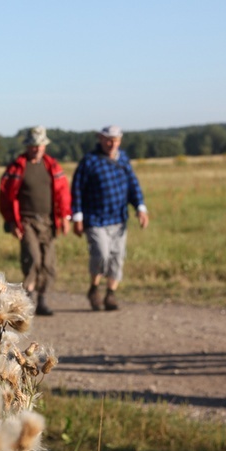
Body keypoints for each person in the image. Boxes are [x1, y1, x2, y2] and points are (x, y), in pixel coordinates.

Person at [71, 125, 148, 311]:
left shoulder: (123, 159)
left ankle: (110, 295)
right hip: (95, 219)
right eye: (108, 139)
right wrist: (77, 217)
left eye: (116, 140)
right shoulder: (89, 161)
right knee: (101, 253)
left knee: (117, 257)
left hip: (119, 219)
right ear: (100, 139)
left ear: (120, 141)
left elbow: (133, 185)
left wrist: (140, 207)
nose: (112, 144)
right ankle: (94, 288)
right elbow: (77, 189)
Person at [0, 126, 71, 316]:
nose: (37, 149)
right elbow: (6, 196)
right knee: (33, 258)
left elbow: (63, 192)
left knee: (48, 262)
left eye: (40, 145)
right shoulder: (18, 166)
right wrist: (12, 222)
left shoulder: (51, 165)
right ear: (28, 146)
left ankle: (43, 299)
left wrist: (65, 216)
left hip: (48, 221)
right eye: (33, 145)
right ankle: (28, 298)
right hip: (26, 221)